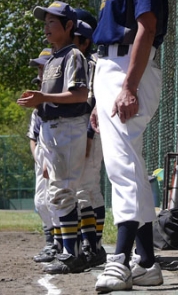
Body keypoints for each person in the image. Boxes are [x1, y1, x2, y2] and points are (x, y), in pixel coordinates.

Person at [84, 0, 169, 292]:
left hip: (129, 67)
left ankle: (118, 260)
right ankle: (148, 263)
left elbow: (146, 28)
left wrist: (129, 85)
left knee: (120, 168)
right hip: (109, 68)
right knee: (130, 164)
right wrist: (102, 97)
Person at [17, 1, 90, 274]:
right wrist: (37, 101)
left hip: (67, 128)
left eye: (53, 22)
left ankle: (72, 254)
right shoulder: (53, 59)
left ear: (69, 26)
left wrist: (44, 97)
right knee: (52, 194)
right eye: (45, 22)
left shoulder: (73, 56)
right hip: (51, 129)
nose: (46, 27)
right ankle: (66, 250)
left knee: (62, 191)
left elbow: (81, 95)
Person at [73, 18, 107, 267]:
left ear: (84, 42)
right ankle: (92, 243)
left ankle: (93, 246)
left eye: (75, 38)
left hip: (92, 132)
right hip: (82, 132)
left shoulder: (91, 63)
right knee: (82, 189)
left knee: (87, 187)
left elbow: (93, 102)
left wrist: (86, 134)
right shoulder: (78, 61)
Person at [26, 48, 62, 263]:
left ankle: (59, 243)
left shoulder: (58, 103)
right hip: (42, 155)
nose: (39, 77)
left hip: (57, 151)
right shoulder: (37, 110)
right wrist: (39, 159)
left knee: (56, 199)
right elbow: (33, 137)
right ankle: (50, 241)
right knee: (40, 201)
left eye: (42, 68)